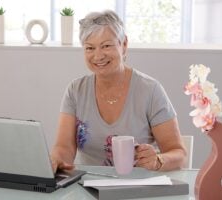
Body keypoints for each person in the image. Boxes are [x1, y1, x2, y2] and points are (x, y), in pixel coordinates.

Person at [51, 10, 186, 173]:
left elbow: (179, 155)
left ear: (124, 44)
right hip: (87, 186)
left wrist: (158, 160)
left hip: (137, 189)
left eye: (106, 45)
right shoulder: (75, 90)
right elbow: (64, 147)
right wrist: (56, 160)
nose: (98, 55)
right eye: (90, 48)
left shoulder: (150, 90)